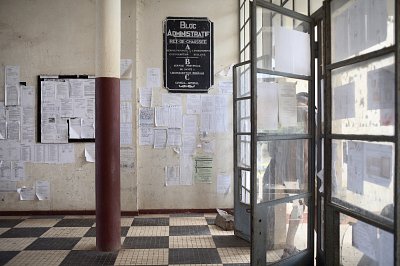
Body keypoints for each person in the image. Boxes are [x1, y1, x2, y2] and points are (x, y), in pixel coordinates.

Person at [261, 91, 310, 259]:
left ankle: (266, 242)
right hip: (300, 174)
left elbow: (271, 149)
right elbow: (312, 148)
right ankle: (289, 246)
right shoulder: (309, 116)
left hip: (279, 173)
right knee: (299, 206)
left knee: (273, 205)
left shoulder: (281, 118)